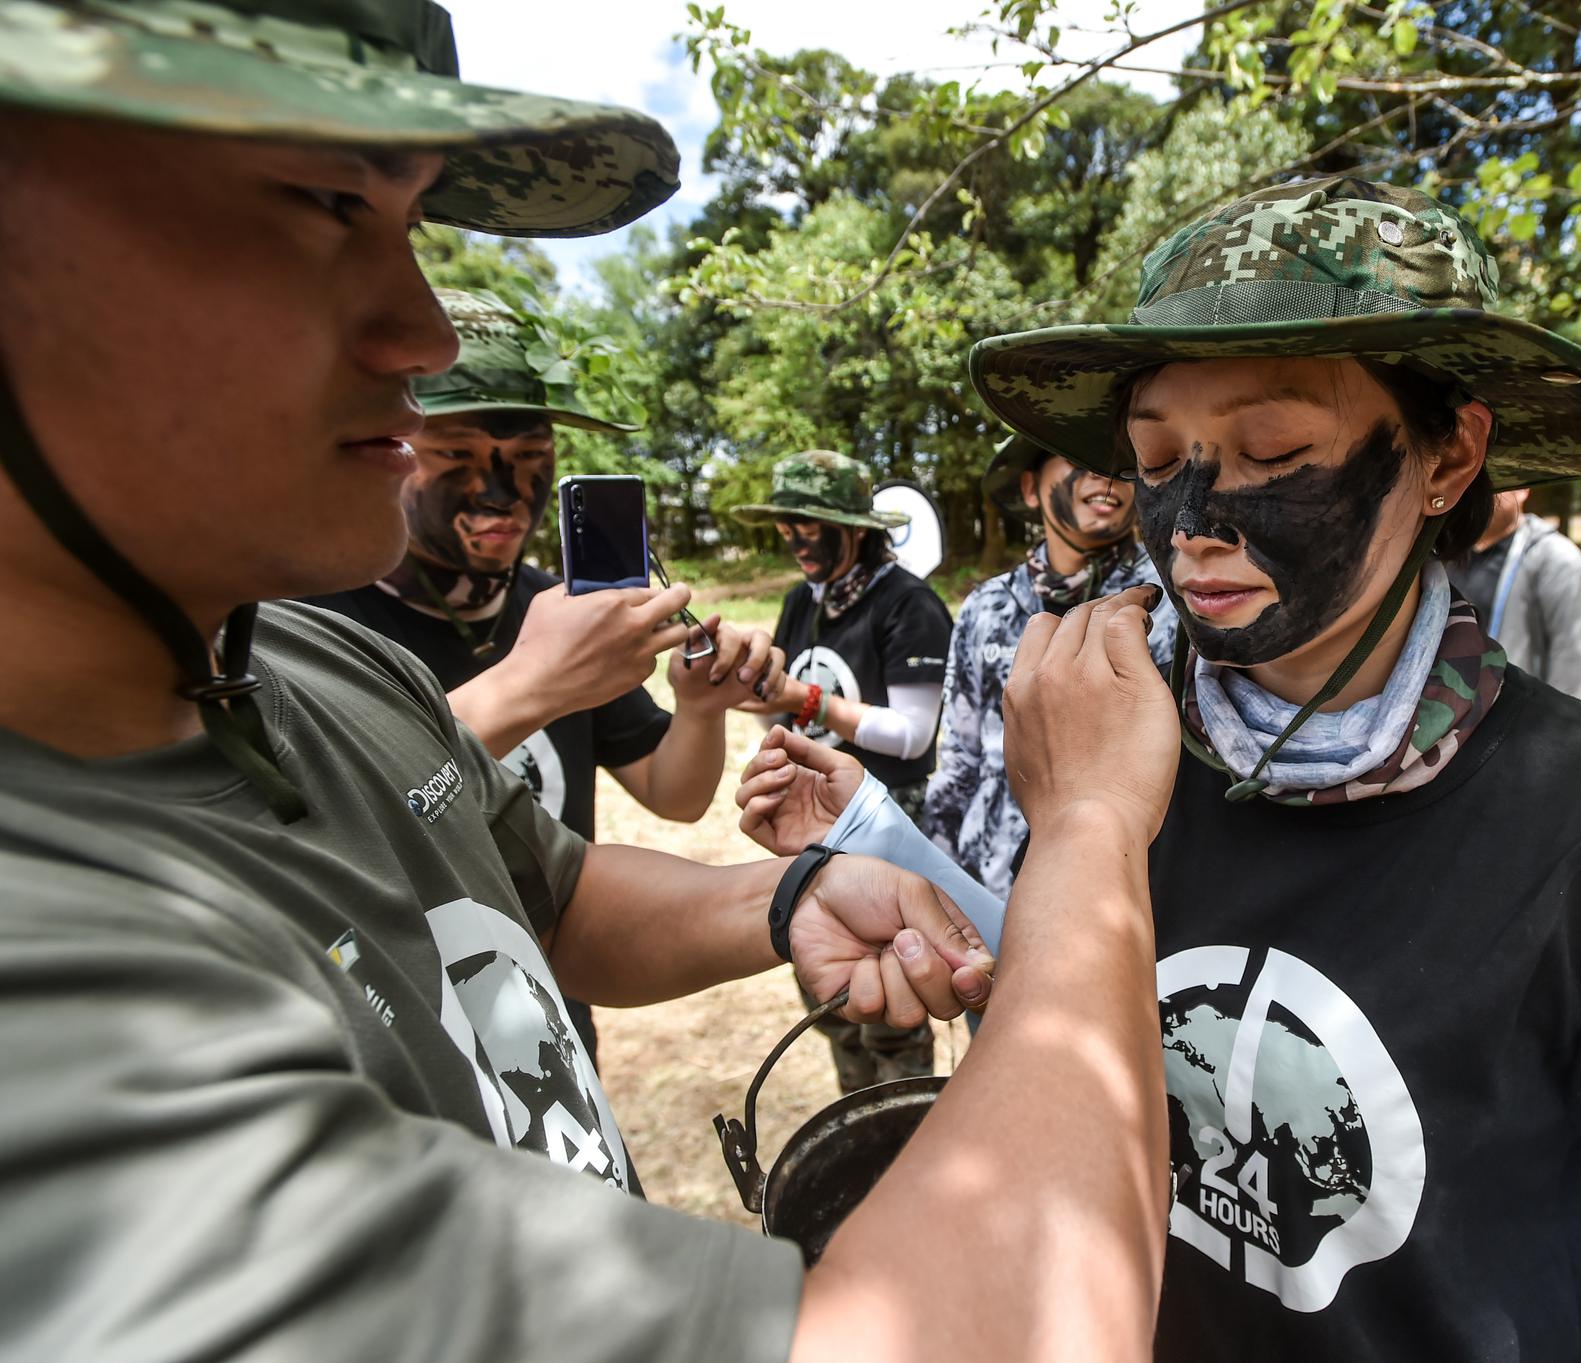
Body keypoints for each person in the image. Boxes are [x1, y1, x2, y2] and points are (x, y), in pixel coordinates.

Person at [0, 4, 1180, 1359]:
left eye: (413, 230)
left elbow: (540, 891)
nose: (423, 331)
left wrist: (788, 891)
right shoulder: (51, 1009)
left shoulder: (300, 656)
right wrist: (1091, 824)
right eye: (320, 204)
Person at [737, 175, 1581, 1362]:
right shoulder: (1119, 739)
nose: (1194, 516)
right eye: (1156, 458)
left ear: (1446, 458)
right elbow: (1081, 979)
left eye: (1271, 449)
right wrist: (874, 839)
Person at [303, 287, 786, 1064]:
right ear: (389, 445)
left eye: (530, 460)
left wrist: (697, 707)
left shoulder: (553, 608)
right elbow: (317, 832)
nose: (501, 493)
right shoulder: (311, 620)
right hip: (402, 1042)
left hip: (549, 1028)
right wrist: (532, 683)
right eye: (454, 456)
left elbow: (674, 793)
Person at [733, 449, 955, 1092]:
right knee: (829, 995)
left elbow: (913, 736)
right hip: (815, 827)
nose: (795, 540)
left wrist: (803, 699)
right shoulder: (807, 600)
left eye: (809, 525)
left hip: (886, 823)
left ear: (855, 529)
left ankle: (906, 1137)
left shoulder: (908, 604)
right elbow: (784, 709)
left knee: (890, 999)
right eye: (785, 525)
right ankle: (855, 1119)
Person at [924, 434, 1177, 895]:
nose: (1105, 474)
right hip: (988, 884)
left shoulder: (1175, 602)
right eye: (1080, 455)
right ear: (1029, 488)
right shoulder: (986, 607)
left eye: (1121, 463)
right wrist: (937, 876)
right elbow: (961, 759)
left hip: (1121, 890)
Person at [1454, 486, 1581, 700]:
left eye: (1493, 482)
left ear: (1522, 489)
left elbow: (1575, 660)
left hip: (1515, 719)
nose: (1477, 491)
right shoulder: (1444, 554)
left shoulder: (1557, 560)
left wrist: (1553, 726)